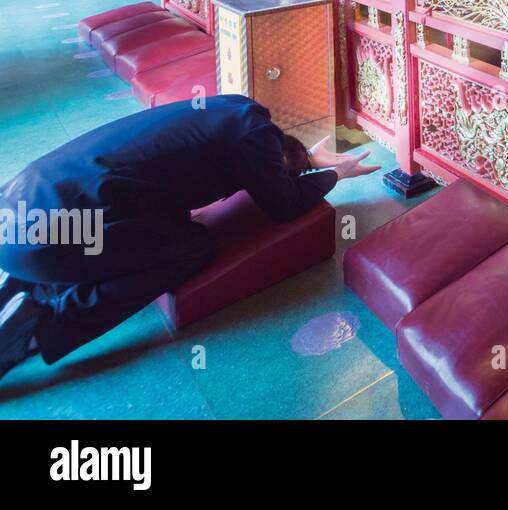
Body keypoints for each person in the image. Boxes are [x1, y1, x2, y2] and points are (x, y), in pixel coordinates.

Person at [0, 95, 378, 384]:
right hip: (47, 239)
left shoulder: (233, 110)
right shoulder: (256, 137)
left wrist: (308, 161)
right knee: (192, 247)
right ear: (276, 158)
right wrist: (336, 174)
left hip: (15, 211)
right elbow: (283, 204)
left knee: (150, 221)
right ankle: (41, 326)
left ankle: (22, 289)